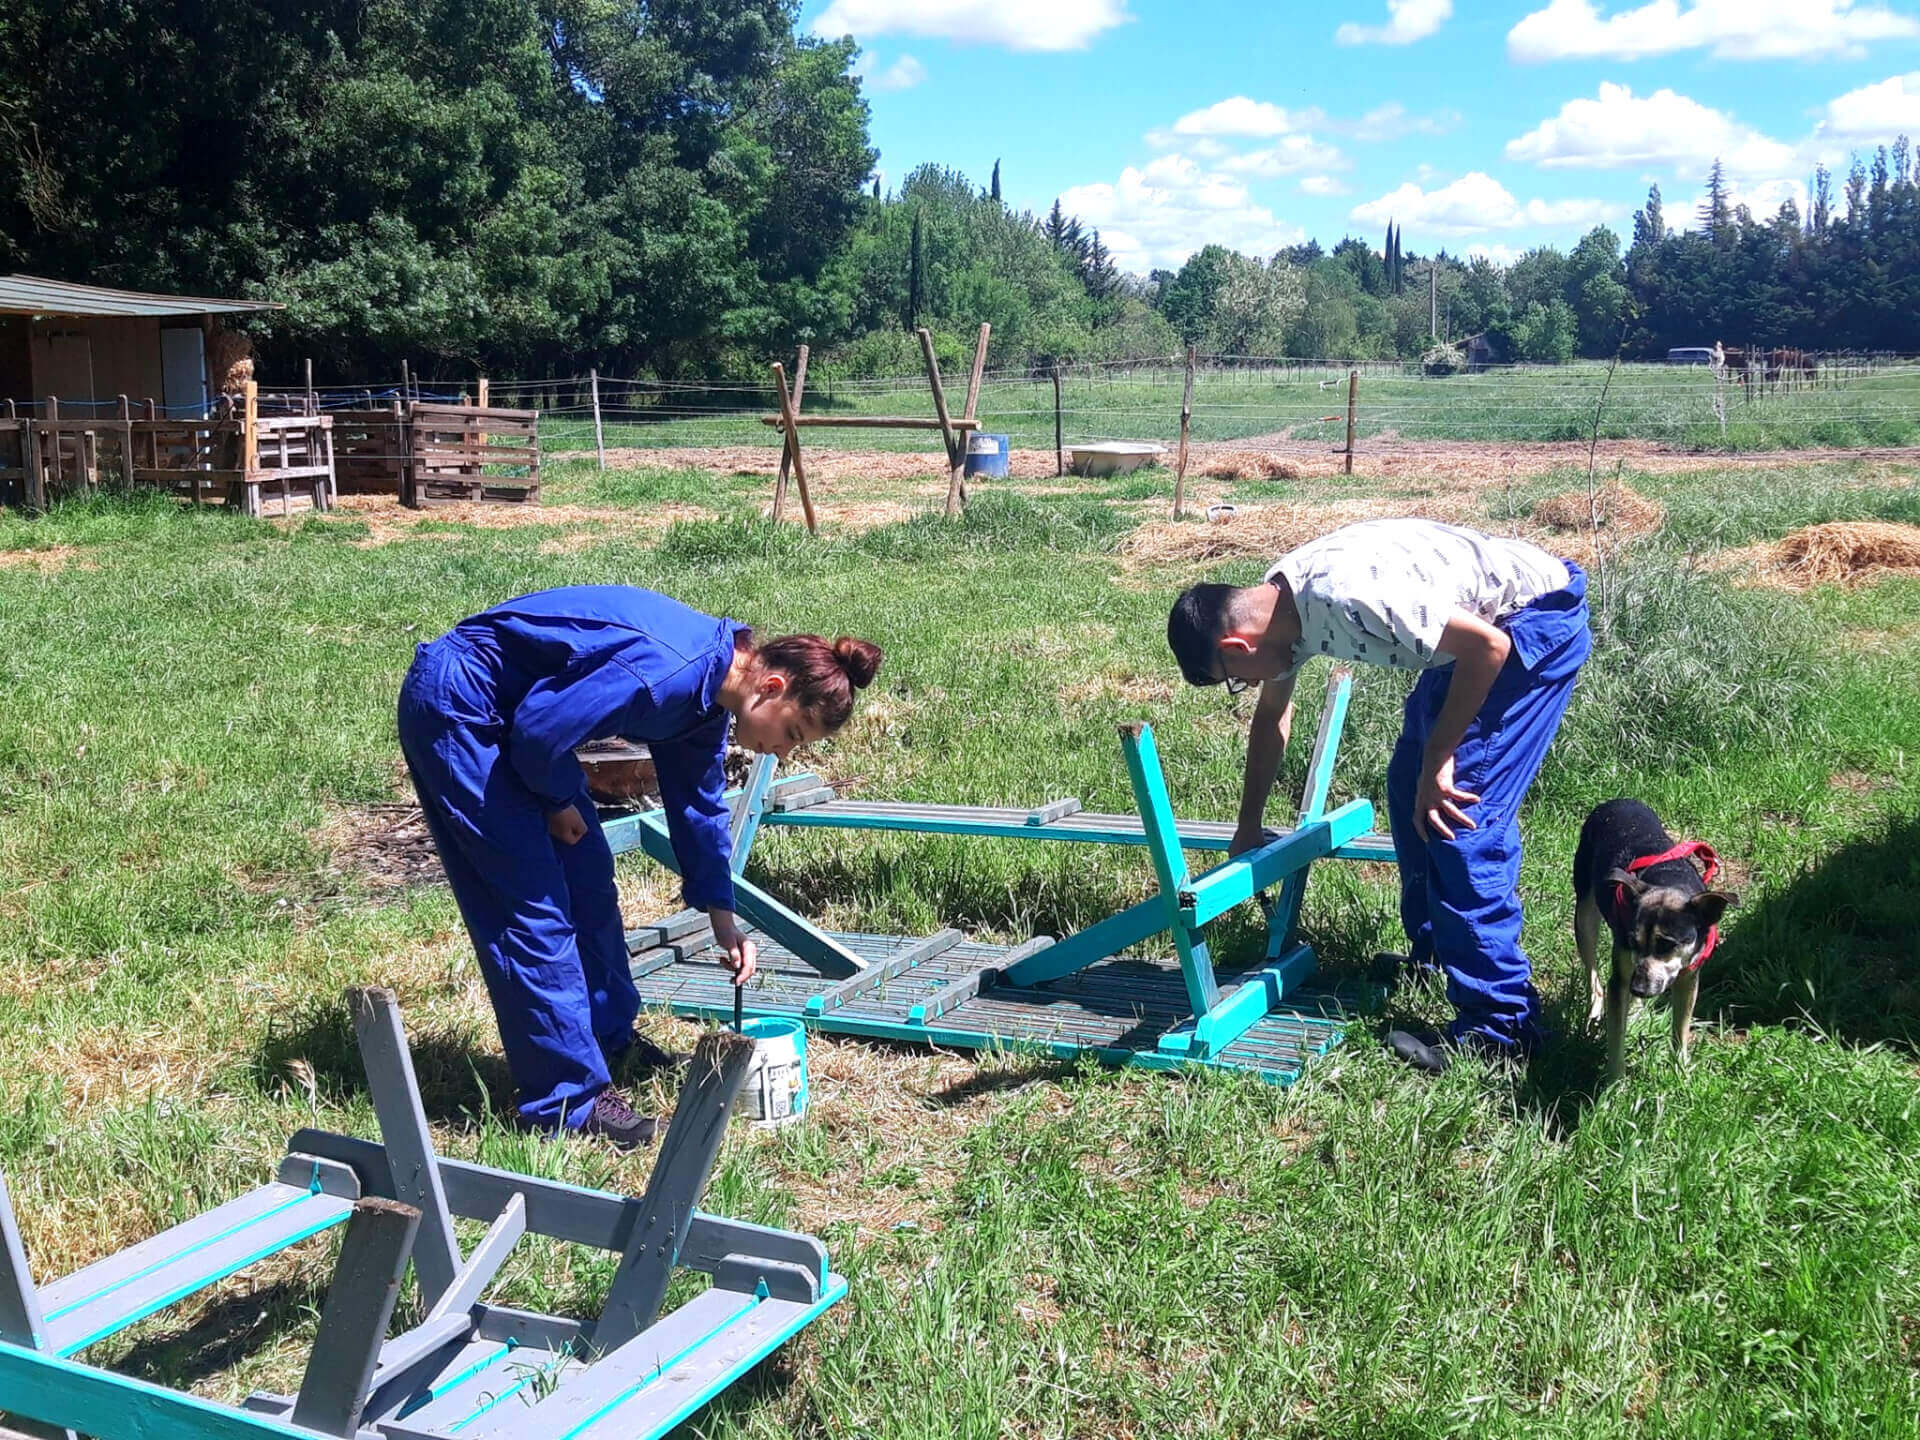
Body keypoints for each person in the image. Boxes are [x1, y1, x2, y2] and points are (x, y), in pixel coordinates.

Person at [397, 585, 882, 1146]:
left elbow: (698, 803)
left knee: (588, 879)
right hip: (462, 705)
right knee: (532, 907)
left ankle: (609, 1039)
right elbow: (538, 730)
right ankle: (568, 1102)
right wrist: (556, 800)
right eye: (792, 734)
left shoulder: (712, 695)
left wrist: (722, 916)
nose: (783, 752)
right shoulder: (668, 673)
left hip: (523, 724)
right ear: (771, 687)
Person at [1164, 518, 1591, 1072]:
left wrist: (1441, 758)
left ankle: (1503, 1029)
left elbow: (1489, 647)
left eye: (1234, 679)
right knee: (1408, 783)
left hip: (1530, 621)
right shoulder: (1280, 609)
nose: (1244, 686)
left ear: (1236, 645)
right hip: (1475, 630)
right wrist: (1248, 824)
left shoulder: (1345, 599)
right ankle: (1439, 958)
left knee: (1459, 818)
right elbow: (1272, 717)